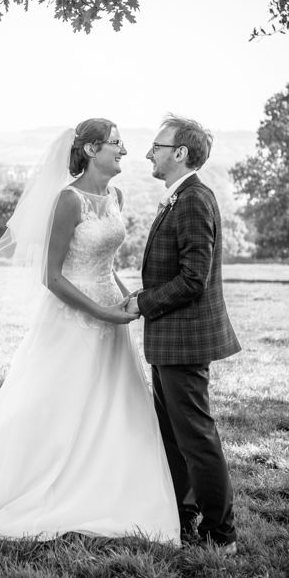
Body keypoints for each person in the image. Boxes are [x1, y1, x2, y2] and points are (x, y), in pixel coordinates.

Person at [0, 118, 179, 545]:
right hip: (74, 318)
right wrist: (101, 313)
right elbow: (51, 277)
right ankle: (37, 485)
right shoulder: (68, 200)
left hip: (112, 314)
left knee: (114, 404)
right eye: (116, 143)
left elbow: (105, 264)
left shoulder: (116, 196)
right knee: (60, 404)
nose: (125, 150)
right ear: (91, 150)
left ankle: (106, 485)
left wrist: (128, 299)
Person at [125, 114, 242, 552]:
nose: (148, 154)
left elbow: (194, 278)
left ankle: (221, 534)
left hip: (184, 341)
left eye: (156, 146)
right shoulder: (181, 196)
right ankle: (183, 517)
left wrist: (143, 303)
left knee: (196, 437)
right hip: (170, 340)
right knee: (175, 436)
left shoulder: (193, 200)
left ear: (179, 152)